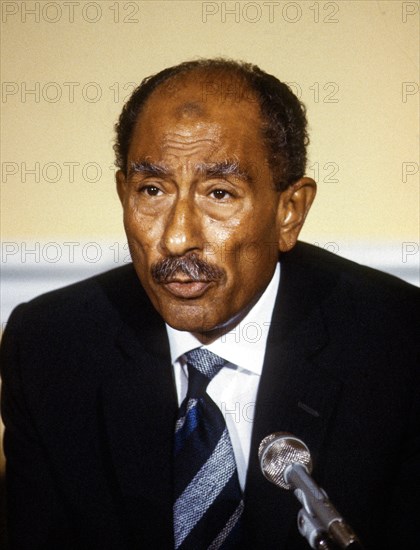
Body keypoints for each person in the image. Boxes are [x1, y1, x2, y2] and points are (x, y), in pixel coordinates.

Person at [1, 58, 419, 550]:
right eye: (152, 190)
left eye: (219, 193)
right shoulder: (51, 346)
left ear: (290, 212)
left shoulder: (400, 344)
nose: (177, 238)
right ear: (123, 194)